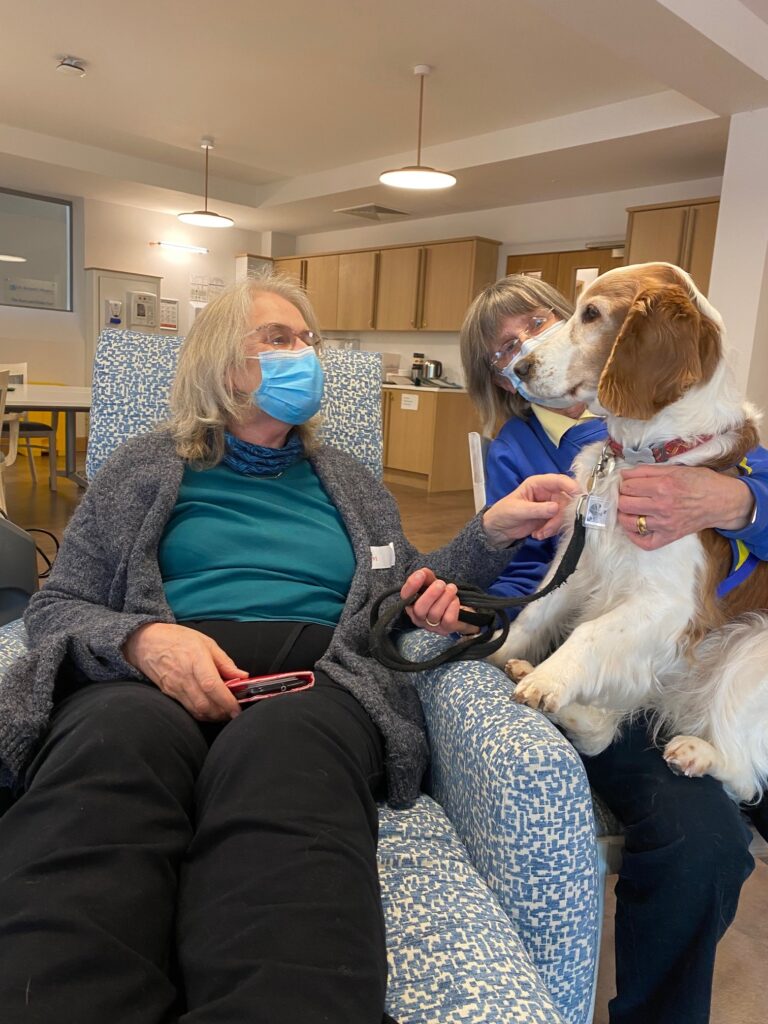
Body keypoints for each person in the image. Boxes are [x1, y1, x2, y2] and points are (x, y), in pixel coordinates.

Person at [0, 273, 578, 1024]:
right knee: (105, 770)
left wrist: (491, 534)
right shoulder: (141, 467)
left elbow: (401, 590)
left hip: (316, 683)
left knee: (287, 775)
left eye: (309, 341)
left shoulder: (348, 481)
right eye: (279, 339)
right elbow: (56, 607)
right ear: (219, 361)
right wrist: (141, 639)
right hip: (145, 685)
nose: (304, 354)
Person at [413, 273, 768, 1024]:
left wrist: (737, 500)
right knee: (701, 839)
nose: (528, 353)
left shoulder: (691, 434)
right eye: (504, 351)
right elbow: (515, 579)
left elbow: (747, 482)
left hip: (683, 662)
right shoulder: (521, 447)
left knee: (713, 843)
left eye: (549, 323)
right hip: (573, 646)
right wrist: (492, 537)